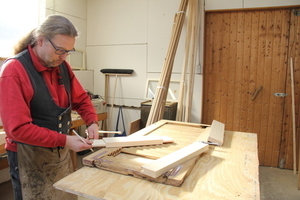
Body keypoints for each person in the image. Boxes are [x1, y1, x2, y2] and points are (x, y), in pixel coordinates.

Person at [0, 15, 99, 200]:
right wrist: (65, 140)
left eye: (68, 51)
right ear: (41, 40)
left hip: (59, 151)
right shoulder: (14, 70)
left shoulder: (62, 66)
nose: (63, 57)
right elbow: (17, 130)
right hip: (27, 156)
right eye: (59, 50)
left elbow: (81, 98)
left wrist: (92, 121)